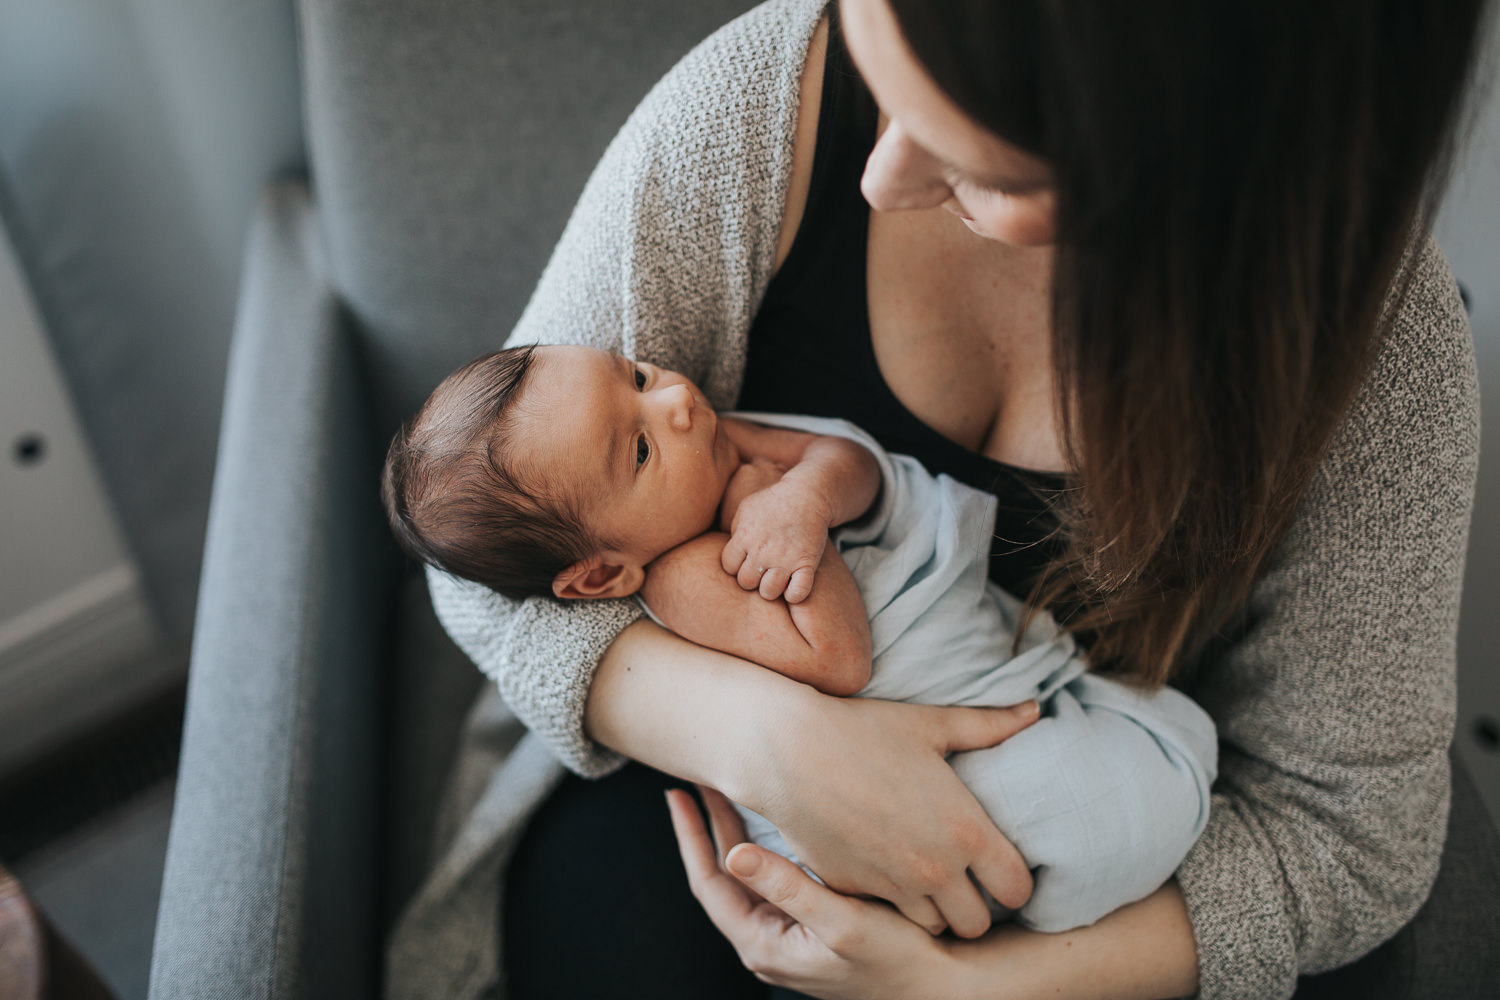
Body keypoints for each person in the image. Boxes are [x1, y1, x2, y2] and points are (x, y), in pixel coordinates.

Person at [390, 0, 1488, 998]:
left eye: (984, 167)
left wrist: (966, 986)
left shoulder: (1376, 354)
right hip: (710, 811)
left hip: (1058, 840)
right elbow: (489, 577)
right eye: (887, 77)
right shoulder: (752, 113)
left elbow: (1352, 843)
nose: (883, 180)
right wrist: (774, 743)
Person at [383, 342, 1217, 933]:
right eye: (638, 448)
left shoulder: (713, 445)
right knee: (1109, 801)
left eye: (634, 373)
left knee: (1145, 748)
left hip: (986, 665)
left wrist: (809, 495)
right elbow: (841, 661)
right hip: (905, 759)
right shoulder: (686, 577)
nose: (673, 400)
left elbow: (851, 461)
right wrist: (781, 522)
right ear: (602, 576)